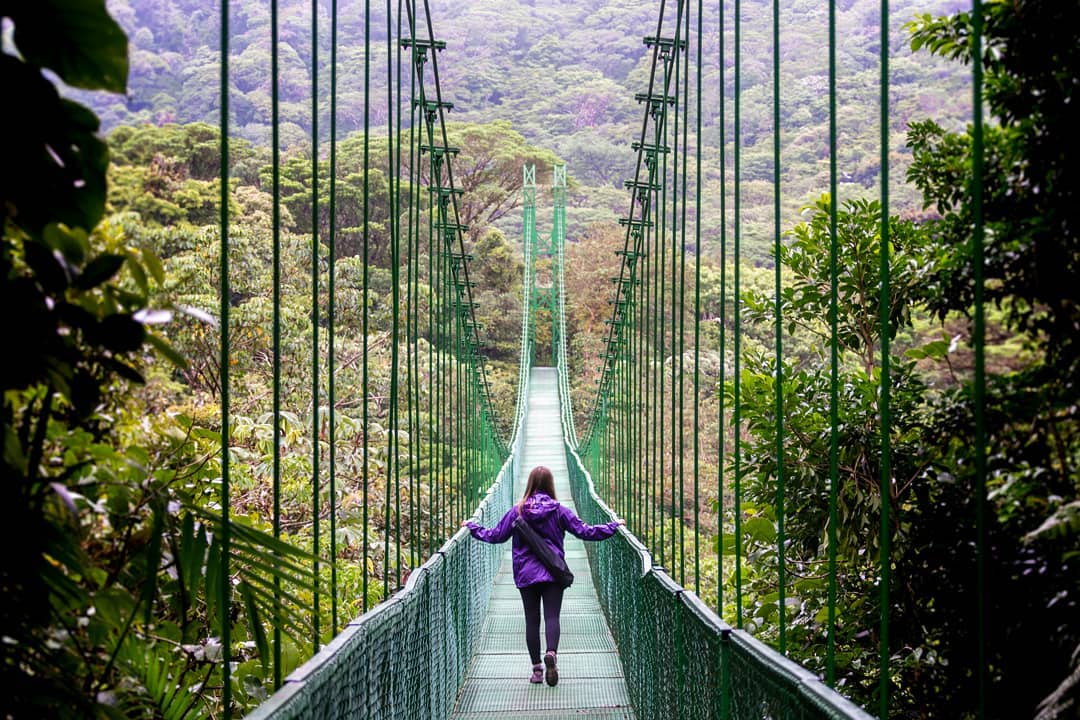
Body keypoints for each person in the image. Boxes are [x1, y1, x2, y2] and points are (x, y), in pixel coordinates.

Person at [463, 465, 624, 686]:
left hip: (526, 574)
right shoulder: (559, 510)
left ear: (530, 484)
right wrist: (612, 527)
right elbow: (585, 531)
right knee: (552, 617)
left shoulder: (516, 511)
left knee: (531, 621)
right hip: (552, 572)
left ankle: (537, 670)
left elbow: (495, 536)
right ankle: (552, 653)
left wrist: (473, 527)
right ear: (550, 485)